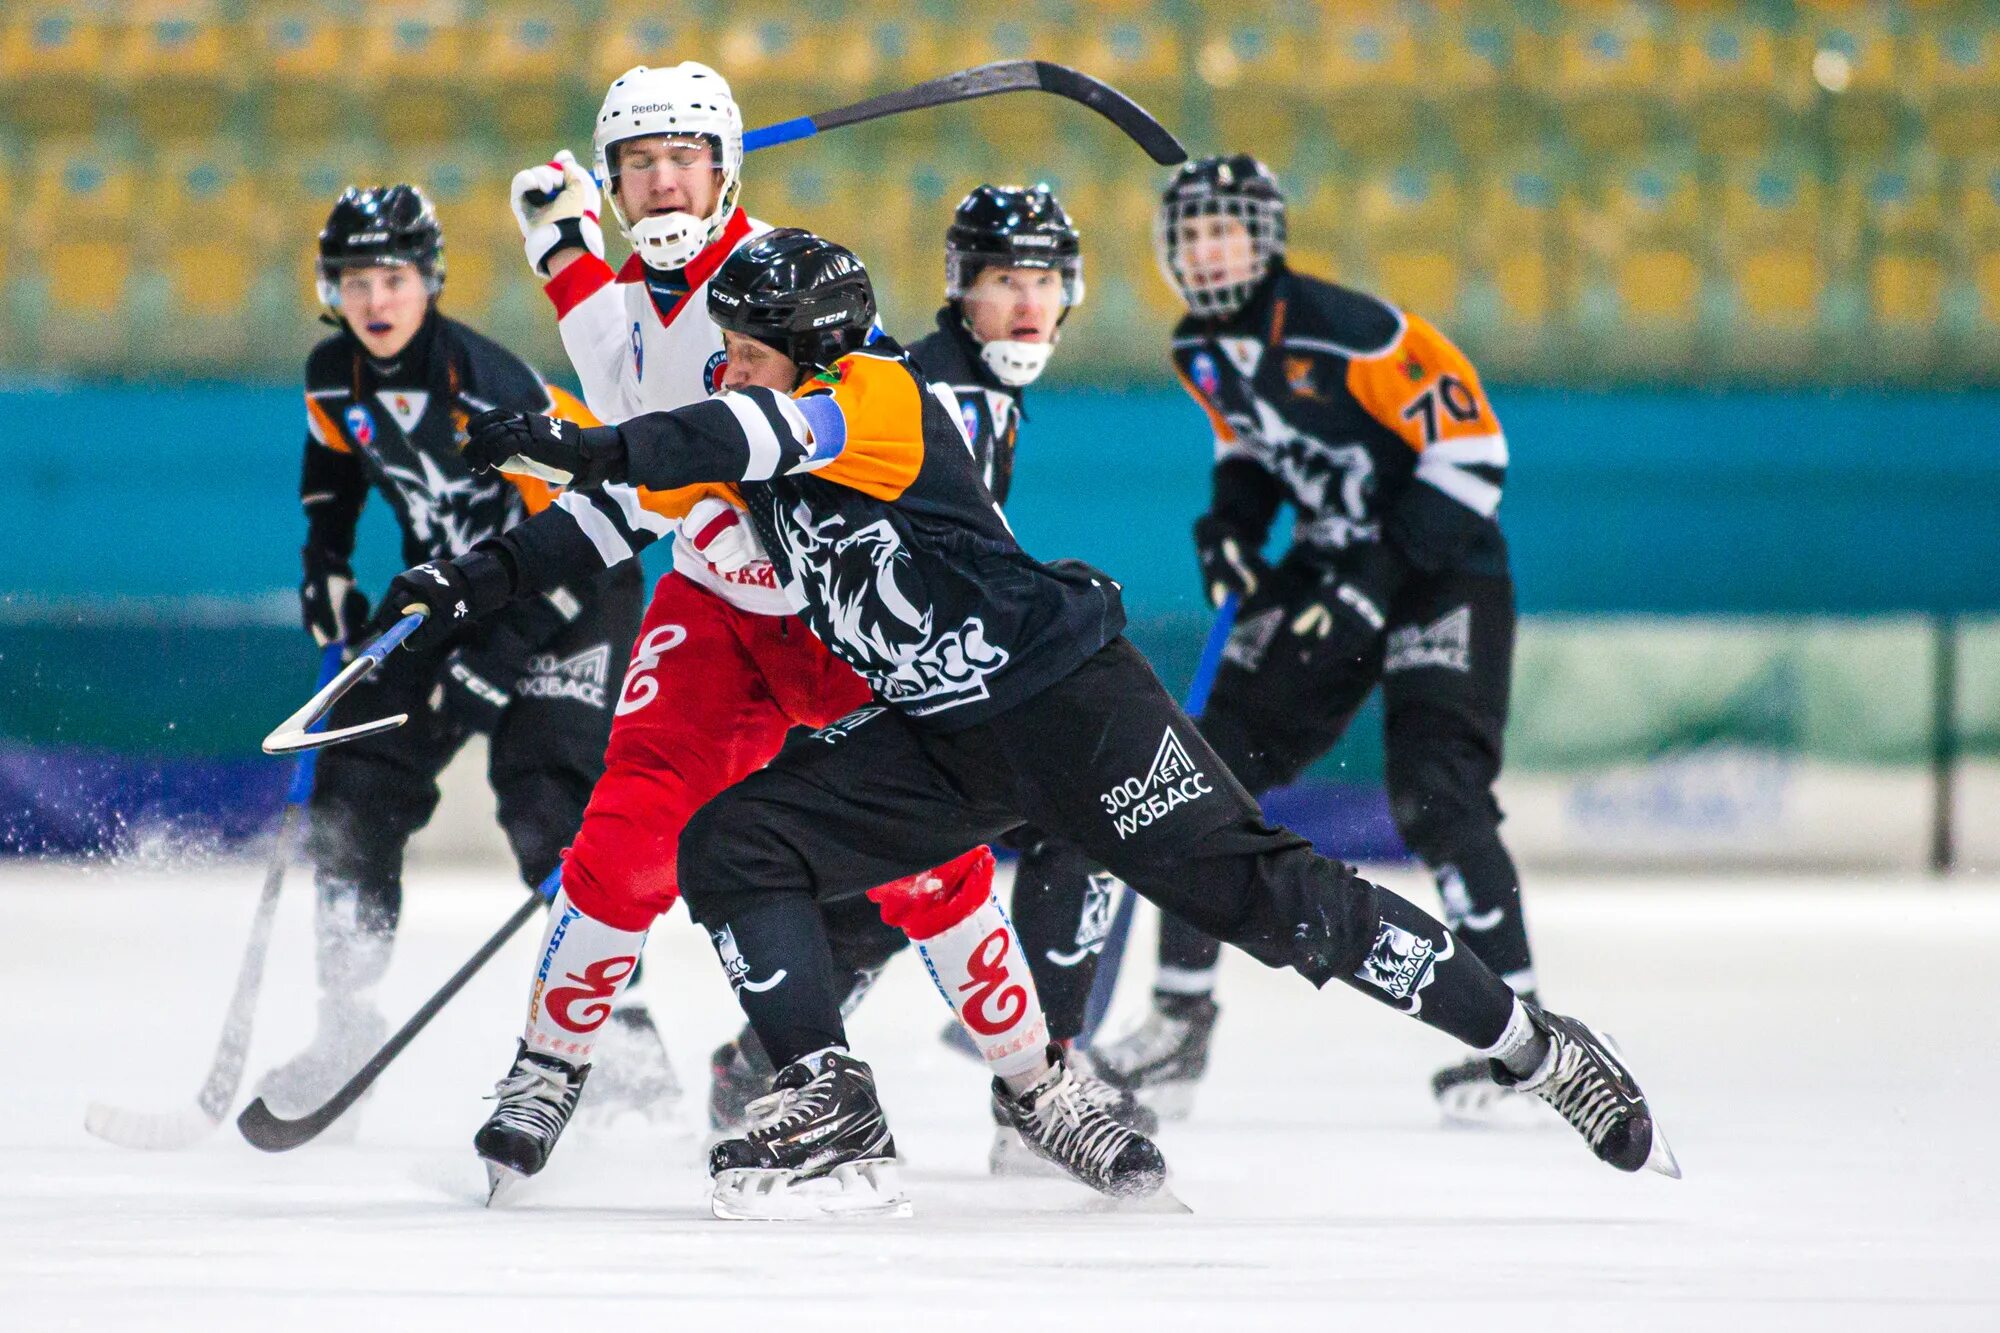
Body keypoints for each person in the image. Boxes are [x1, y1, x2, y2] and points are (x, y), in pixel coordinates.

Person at [446, 228, 1680, 1219]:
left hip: (1069, 705)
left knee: (1279, 905)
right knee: (733, 844)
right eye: (721, 344)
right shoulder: (752, 417)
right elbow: (625, 506)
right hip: (939, 735)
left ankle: (1540, 1047)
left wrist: (585, 439)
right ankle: (827, 1098)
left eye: (748, 347)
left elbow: (733, 434)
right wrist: (472, 578)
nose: (726, 363)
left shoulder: (868, 398)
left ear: (809, 353)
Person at [392, 64, 1156, 1199]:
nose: (659, 186)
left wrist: (563, 264)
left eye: (681, 161)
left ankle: (1038, 1082)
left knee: (930, 863)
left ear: (725, 166)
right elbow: (627, 396)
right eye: (635, 167)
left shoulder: (778, 287)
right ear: (610, 184)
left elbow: (678, 441)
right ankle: (550, 1066)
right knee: (624, 837)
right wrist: (486, 569)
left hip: (833, 610)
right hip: (710, 605)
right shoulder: (645, 292)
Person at [700, 185, 1157, 1174]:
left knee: (914, 869)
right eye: (1004, 281)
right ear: (961, 287)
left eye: (1044, 280)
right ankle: (1039, 1091)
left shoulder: (977, 385)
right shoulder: (939, 386)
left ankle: (769, 1057)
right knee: (1068, 819)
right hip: (891, 678)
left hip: (909, 673)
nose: (1028, 303)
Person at [1092, 154, 1544, 1126]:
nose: (1207, 250)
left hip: (1437, 569)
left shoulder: (1357, 331)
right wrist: (1229, 525)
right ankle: (1178, 1018)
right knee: (1202, 771)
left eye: (1226, 229)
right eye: (1191, 233)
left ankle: (1531, 1037)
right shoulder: (1199, 348)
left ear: (1266, 237)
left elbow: (1473, 455)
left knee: (1437, 793)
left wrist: (1373, 580)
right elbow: (1251, 447)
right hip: (1326, 564)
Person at [264, 184, 671, 1126]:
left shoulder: (488, 387)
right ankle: (346, 1026)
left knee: (549, 806)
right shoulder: (334, 375)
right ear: (331, 288)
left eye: (394, 278)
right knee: (355, 785)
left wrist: (498, 664)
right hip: (448, 596)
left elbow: (593, 532)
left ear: (431, 281)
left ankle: (624, 1043)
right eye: (355, 280)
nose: (375, 301)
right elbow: (332, 467)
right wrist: (324, 563)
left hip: (570, 594)